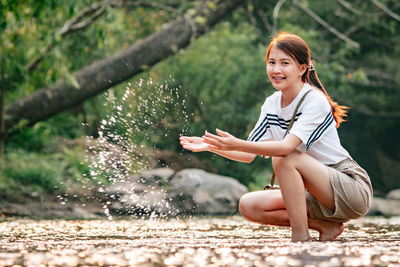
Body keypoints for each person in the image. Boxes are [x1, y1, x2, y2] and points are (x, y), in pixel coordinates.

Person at [179, 32, 373, 242]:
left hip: (350, 189)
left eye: (284, 63)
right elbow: (247, 154)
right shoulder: (271, 104)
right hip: (313, 194)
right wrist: (211, 144)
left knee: (284, 155)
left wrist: (235, 142)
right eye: (271, 62)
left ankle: (300, 238)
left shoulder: (314, 100)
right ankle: (325, 227)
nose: (276, 70)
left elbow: (285, 148)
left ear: (302, 68)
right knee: (249, 205)